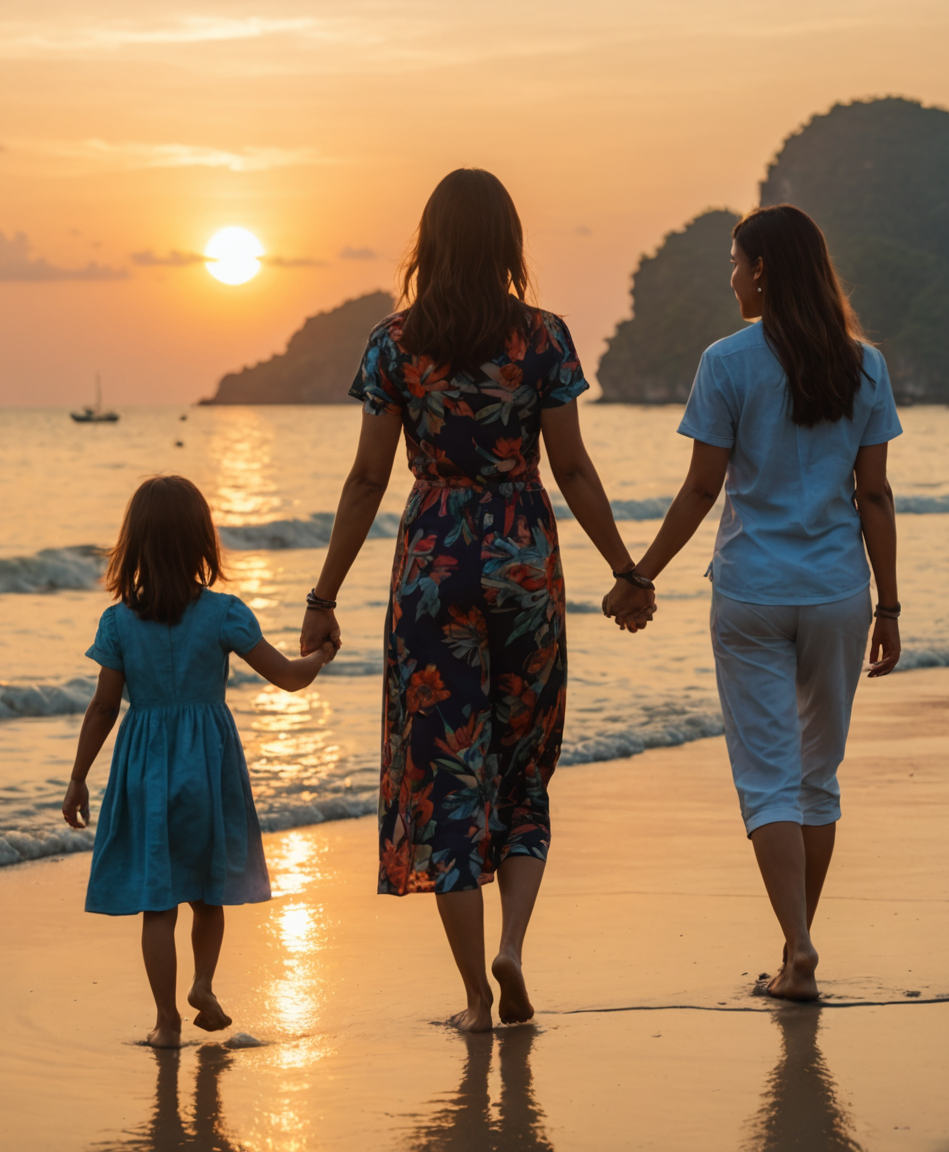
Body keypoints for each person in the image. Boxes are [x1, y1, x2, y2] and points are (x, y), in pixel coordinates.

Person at [298, 168, 652, 1032]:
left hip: (429, 565)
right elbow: (571, 468)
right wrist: (627, 570)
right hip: (523, 561)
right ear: (507, 243)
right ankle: (515, 948)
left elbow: (365, 479)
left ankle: (472, 998)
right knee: (524, 771)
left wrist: (323, 594)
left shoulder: (393, 343)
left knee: (449, 777)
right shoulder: (543, 338)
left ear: (430, 242)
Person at [603, 203, 902, 1001]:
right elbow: (873, 495)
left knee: (768, 778)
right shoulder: (863, 365)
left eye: (735, 263)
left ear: (762, 270)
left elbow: (704, 486)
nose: (730, 278)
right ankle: (796, 946)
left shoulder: (726, 362)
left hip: (751, 594)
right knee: (818, 778)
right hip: (839, 592)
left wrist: (642, 574)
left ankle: (798, 948)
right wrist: (891, 608)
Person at [62, 475, 338, 1047]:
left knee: (157, 904)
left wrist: (78, 778)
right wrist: (323, 654)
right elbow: (288, 677)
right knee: (208, 892)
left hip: (143, 770)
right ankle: (204, 984)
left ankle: (166, 1022)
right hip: (208, 766)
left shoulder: (117, 622)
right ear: (200, 542)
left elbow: (103, 708)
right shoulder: (223, 614)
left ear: (134, 543)